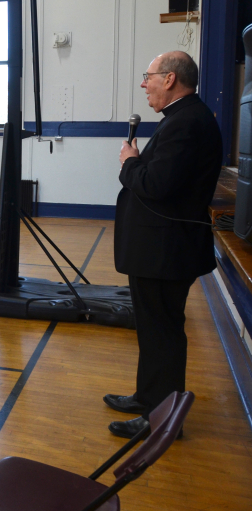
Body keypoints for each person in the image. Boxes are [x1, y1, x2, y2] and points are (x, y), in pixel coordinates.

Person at [105, 51, 222, 439]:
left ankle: (161, 420)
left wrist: (130, 163)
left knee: (163, 332)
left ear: (170, 79)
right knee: (154, 329)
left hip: (165, 250)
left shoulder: (186, 123)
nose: (144, 84)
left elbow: (156, 186)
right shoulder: (185, 119)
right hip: (162, 249)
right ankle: (148, 397)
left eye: (148, 76)